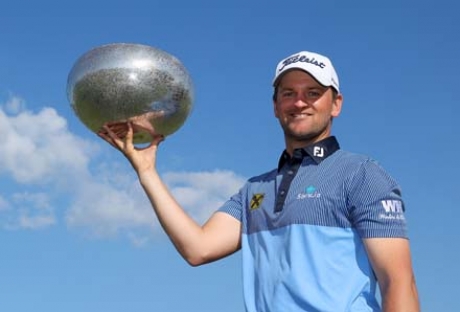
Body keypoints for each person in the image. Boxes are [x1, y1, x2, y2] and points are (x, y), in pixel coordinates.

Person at [98, 50, 420, 312]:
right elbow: (198, 249)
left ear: (335, 104)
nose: (299, 102)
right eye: (288, 94)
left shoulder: (362, 174)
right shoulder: (254, 189)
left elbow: (398, 282)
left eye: (313, 93)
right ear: (276, 107)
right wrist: (147, 172)